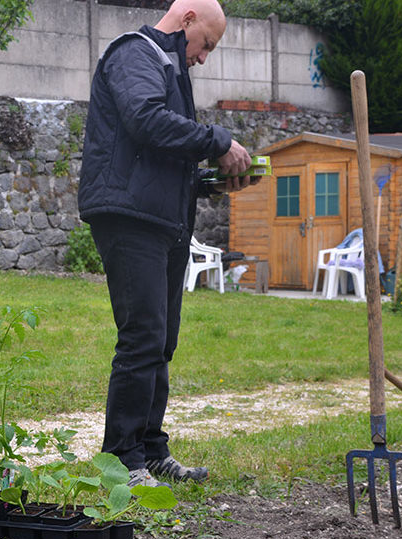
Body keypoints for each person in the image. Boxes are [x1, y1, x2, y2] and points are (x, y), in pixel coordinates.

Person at [77, 0, 258, 488]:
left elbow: (154, 154)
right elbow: (144, 119)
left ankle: (151, 450)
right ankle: (121, 460)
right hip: (128, 218)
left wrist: (205, 182)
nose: (203, 57)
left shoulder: (169, 66)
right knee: (142, 337)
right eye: (207, 45)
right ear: (188, 21)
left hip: (160, 219)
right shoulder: (137, 54)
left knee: (162, 339)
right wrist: (218, 140)